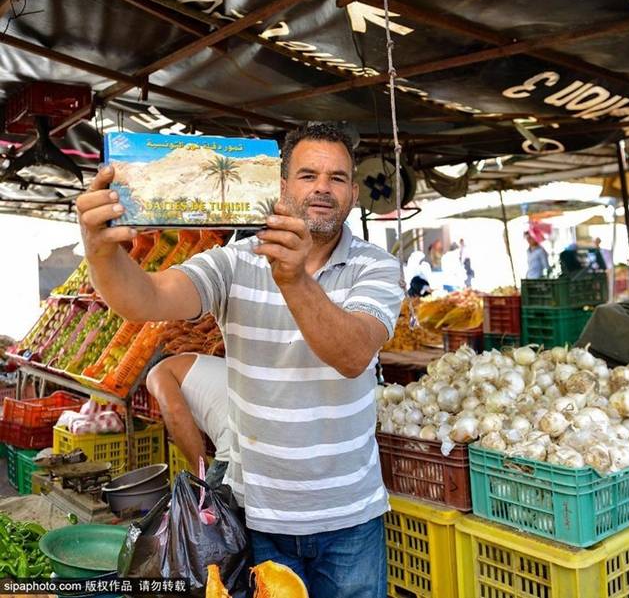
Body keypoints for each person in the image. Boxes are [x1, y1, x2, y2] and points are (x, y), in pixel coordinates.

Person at [76, 123, 404, 598]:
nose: (322, 189)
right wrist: (100, 250)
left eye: (336, 178)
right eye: (308, 175)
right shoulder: (233, 261)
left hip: (349, 516)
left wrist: (293, 280)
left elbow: (353, 355)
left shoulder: (377, 265)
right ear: (281, 186)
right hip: (261, 516)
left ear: (354, 192)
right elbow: (144, 298)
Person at [146, 353, 230, 489]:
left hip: (234, 441)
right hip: (263, 430)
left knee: (206, 505)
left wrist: (200, 473)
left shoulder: (156, 372)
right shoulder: (197, 363)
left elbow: (174, 410)